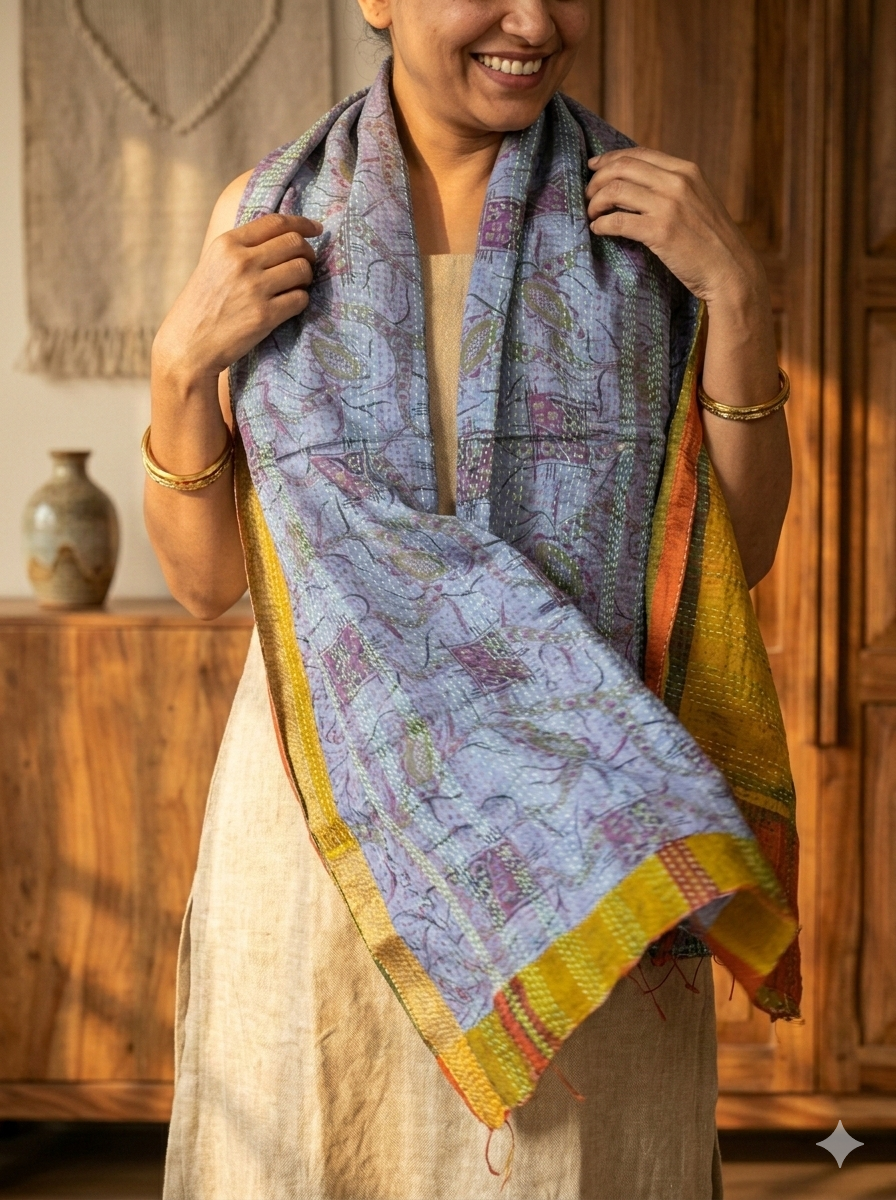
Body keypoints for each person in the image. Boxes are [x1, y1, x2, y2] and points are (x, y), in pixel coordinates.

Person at [148, 3, 799, 1197]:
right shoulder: (269, 219)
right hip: (329, 823)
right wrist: (179, 366)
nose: (534, 21)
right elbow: (202, 585)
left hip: (580, 834)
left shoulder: (645, 227)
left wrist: (739, 297)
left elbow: (737, 554)